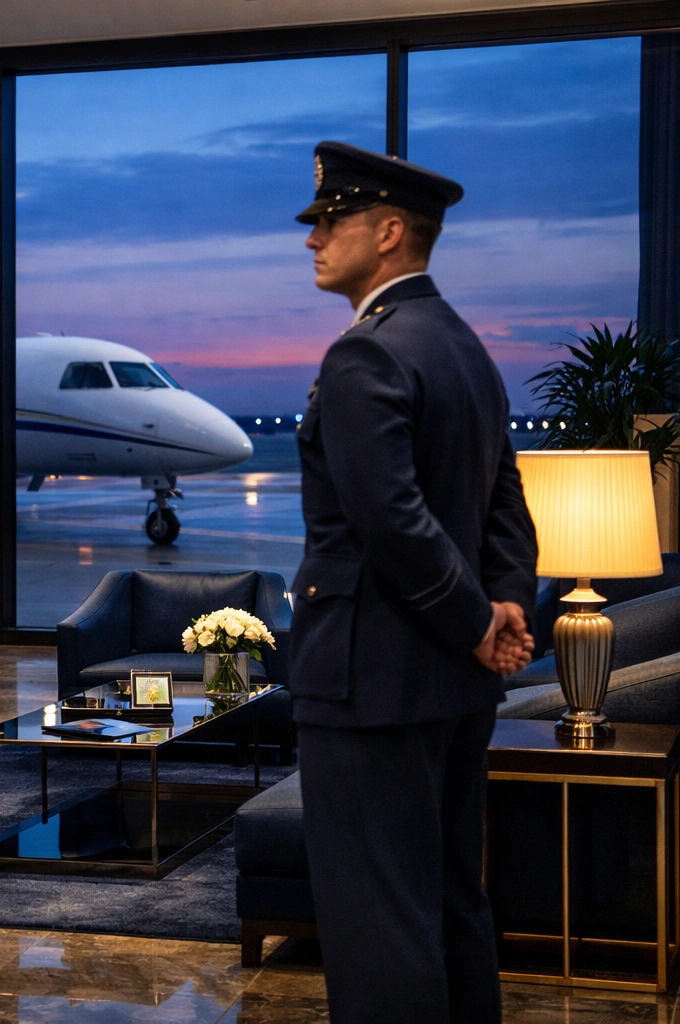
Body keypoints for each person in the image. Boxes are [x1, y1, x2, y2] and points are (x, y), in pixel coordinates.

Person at [288, 141, 539, 1024]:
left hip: (370, 680)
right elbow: (504, 498)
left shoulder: (368, 354)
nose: (313, 239)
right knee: (449, 898)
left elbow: (389, 520)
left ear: (389, 231)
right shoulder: (465, 345)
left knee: (378, 920)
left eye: (330, 221)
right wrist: (507, 605)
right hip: (451, 682)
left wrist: (479, 620)